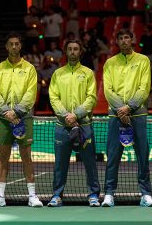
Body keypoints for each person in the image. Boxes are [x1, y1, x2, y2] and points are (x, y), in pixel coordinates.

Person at [0, 31, 43, 208]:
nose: (13, 47)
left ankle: (32, 196)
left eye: (16, 44)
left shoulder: (29, 69)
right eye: (10, 44)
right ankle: (0, 196)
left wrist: (17, 112)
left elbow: (30, 93)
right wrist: (6, 112)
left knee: (26, 157)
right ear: (6, 47)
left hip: (23, 117)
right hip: (4, 118)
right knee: (3, 157)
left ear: (20, 46)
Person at [102, 29, 152, 207]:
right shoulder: (110, 63)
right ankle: (109, 194)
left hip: (138, 115)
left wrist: (129, 107)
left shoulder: (143, 60)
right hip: (116, 116)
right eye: (121, 38)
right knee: (113, 157)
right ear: (117, 42)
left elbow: (144, 87)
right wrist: (121, 110)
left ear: (132, 40)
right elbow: (108, 90)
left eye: (127, 38)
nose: (124, 41)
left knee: (142, 156)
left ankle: (146, 194)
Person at [47, 39, 100, 207]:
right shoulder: (58, 73)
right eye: (69, 49)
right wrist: (65, 116)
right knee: (60, 164)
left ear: (80, 52)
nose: (72, 52)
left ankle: (93, 195)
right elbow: (53, 97)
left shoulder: (88, 73)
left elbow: (91, 97)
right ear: (65, 51)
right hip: (63, 126)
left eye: (76, 49)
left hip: (84, 125)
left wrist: (75, 115)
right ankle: (57, 195)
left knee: (90, 163)